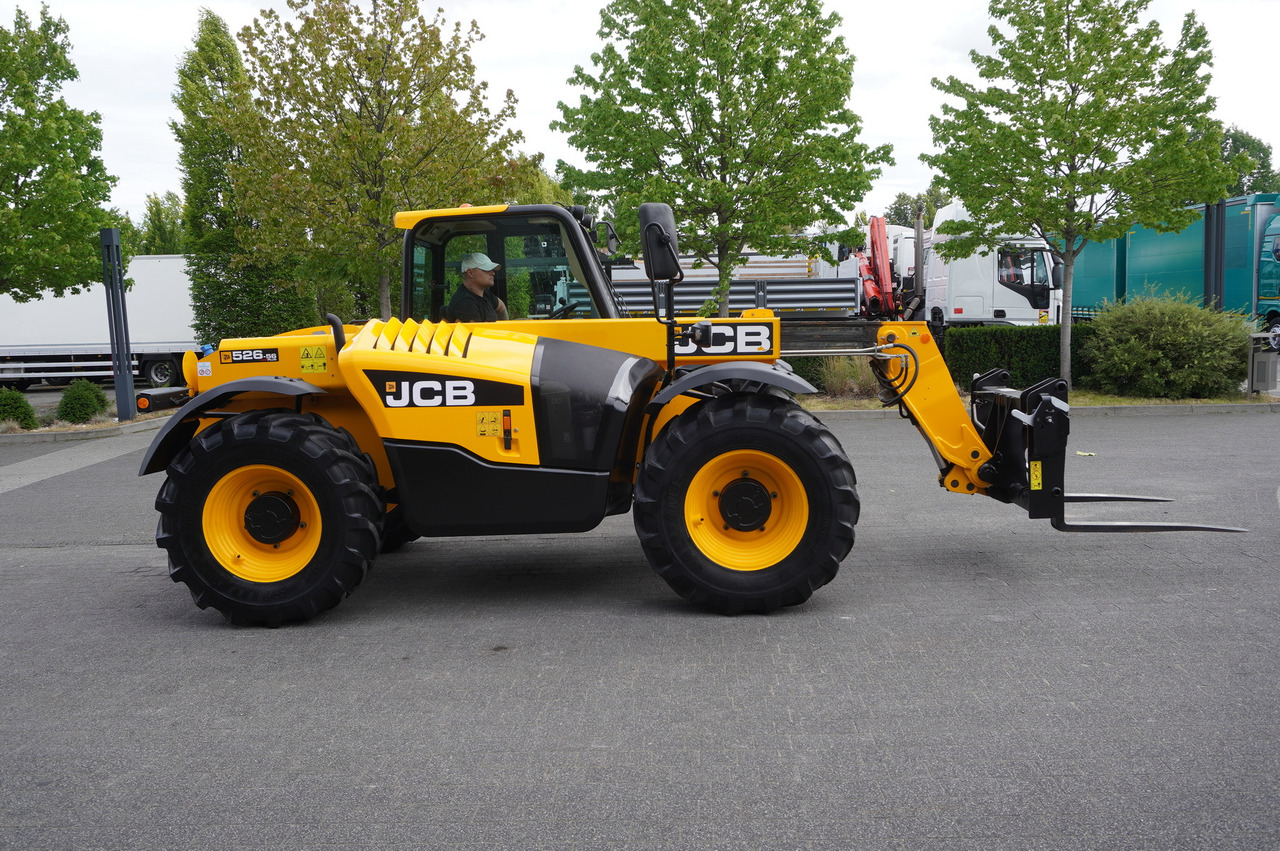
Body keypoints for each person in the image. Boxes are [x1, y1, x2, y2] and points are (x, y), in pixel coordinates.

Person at [447, 253, 508, 322]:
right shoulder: (465, 303)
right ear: (470, 273)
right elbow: (478, 332)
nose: (493, 273)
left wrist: (506, 326)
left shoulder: (485, 293)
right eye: (486, 269)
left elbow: (501, 306)